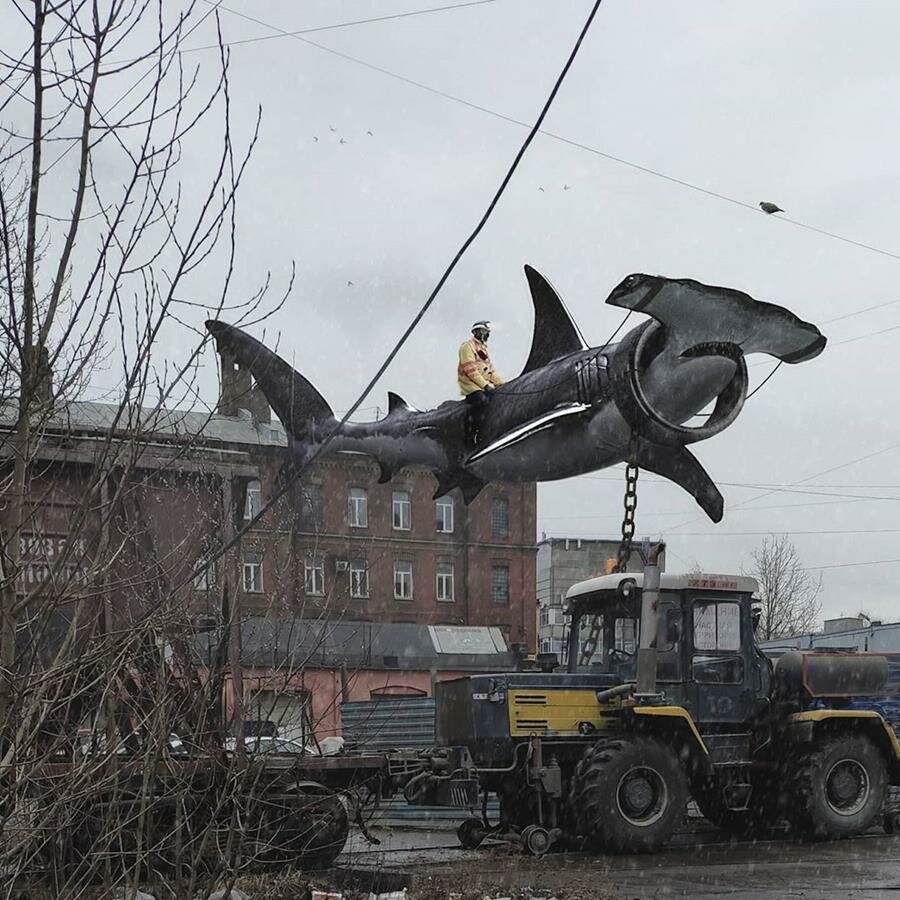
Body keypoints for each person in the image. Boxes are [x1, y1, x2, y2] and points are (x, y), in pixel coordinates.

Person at [458, 320, 503, 445]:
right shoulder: (467, 347)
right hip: (470, 385)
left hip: (482, 385)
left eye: (487, 332)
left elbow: (490, 371)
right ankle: (470, 435)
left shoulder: (483, 349)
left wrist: (501, 384)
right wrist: (485, 385)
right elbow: (470, 370)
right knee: (481, 402)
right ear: (477, 332)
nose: (487, 335)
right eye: (485, 332)